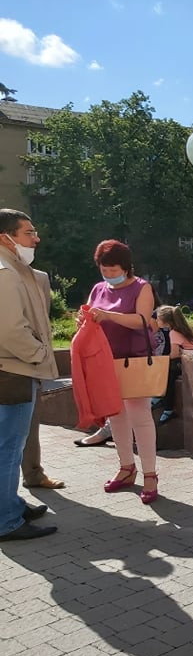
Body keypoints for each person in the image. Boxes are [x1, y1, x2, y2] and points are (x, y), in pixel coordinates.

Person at [81, 239, 161, 504]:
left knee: (140, 417)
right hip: (104, 361)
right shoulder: (98, 288)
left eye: (114, 270)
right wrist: (84, 319)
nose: (109, 276)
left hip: (134, 360)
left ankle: (150, 475)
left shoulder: (142, 287)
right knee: (115, 416)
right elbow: (91, 315)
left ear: (126, 267)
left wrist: (108, 315)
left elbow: (141, 320)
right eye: (104, 271)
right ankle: (126, 467)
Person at [0, 208, 58, 541]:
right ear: (5, 238)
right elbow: (11, 330)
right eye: (28, 233)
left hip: (12, 369)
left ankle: (10, 503)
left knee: (7, 448)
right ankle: (7, 520)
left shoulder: (13, 268)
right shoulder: (5, 272)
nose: (35, 238)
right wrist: (40, 355)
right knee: (9, 449)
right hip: (13, 371)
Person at [21, 267, 65, 488]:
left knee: (29, 422)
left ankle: (33, 473)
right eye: (28, 233)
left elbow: (41, 323)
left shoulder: (39, 277)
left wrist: (39, 354)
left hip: (28, 362)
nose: (35, 239)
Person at [153, 305, 193, 425]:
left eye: (158, 319)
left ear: (166, 321)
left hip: (191, 363)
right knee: (166, 369)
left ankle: (167, 407)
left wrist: (161, 360)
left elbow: (174, 355)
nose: (156, 321)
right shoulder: (182, 330)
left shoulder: (173, 333)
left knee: (167, 371)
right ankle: (161, 399)